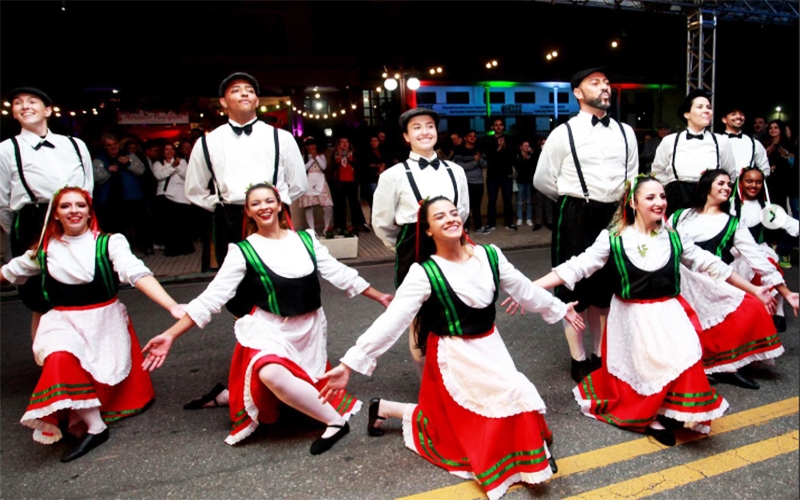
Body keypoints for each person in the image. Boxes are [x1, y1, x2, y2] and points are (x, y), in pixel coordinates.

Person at [319, 196, 584, 500]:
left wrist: (560, 308)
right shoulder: (423, 273)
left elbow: (525, 291)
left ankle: (384, 408)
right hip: (454, 354)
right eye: (440, 216)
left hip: (490, 347)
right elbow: (391, 321)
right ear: (428, 230)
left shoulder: (490, 255)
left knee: (493, 404)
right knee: (509, 397)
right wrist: (351, 363)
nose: (450, 219)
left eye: (454, 213)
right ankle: (531, 457)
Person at [141, 183, 392, 454]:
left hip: (308, 329)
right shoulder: (242, 251)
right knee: (271, 371)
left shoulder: (306, 240)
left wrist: (379, 296)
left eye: (269, 201)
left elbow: (341, 274)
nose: (264, 207)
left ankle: (227, 395)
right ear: (247, 212)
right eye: (256, 203)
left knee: (288, 388)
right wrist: (170, 334)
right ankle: (335, 423)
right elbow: (211, 298)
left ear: (280, 204)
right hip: (268, 327)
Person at [534, 176, 774, 446]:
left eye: (662, 196)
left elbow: (712, 264)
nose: (660, 202)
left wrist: (754, 290)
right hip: (632, 315)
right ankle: (651, 417)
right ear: (633, 203)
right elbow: (576, 267)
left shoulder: (673, 236)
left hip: (669, 312)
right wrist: (530, 289)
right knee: (647, 368)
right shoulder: (613, 238)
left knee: (684, 358)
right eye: (651, 198)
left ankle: (675, 408)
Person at [0, 187, 183, 462]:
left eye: (80, 205)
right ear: (56, 215)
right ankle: (96, 427)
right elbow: (8, 273)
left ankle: (92, 413)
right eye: (65, 206)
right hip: (62, 321)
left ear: (89, 212)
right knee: (60, 356)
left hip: (103, 320)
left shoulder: (110, 243)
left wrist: (171, 305)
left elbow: (136, 273)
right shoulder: (43, 249)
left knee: (95, 368)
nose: (74, 211)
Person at [533, 67, 639, 383]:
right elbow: (542, 180)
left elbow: (632, 177)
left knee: (606, 290)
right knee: (575, 289)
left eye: (607, 81)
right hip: (577, 213)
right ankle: (578, 359)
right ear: (578, 92)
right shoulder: (562, 133)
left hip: (615, 214)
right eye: (595, 82)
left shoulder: (626, 132)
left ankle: (601, 354)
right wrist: (573, 202)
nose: (604, 86)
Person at [670, 170, 798, 389]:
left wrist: (786, 293)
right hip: (678, 279)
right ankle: (694, 367)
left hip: (714, 280)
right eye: (721, 183)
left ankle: (728, 365)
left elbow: (757, 259)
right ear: (706, 186)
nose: (727, 188)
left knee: (750, 308)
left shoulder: (733, 223)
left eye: (729, 185)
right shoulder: (680, 215)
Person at [371, 108, 469, 375]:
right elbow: (381, 223)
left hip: (451, 245)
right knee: (417, 315)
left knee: (454, 308)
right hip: (413, 247)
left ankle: (455, 376)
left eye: (429, 126)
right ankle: (426, 382)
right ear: (406, 136)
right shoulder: (393, 175)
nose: (424, 132)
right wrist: (404, 245)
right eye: (417, 127)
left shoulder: (456, 170)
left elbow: (463, 211)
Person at [184, 72, 307, 267]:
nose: (244, 94)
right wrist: (221, 203)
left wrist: (274, 203)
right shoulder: (207, 142)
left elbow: (299, 183)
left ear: (257, 101)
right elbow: (194, 189)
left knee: (280, 273)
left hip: (273, 215)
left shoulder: (281, 138)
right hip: (230, 218)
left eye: (249, 91)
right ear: (223, 102)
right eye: (236, 90)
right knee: (235, 278)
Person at [0, 87, 93, 338]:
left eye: (32, 101)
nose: (25, 106)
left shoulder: (74, 145)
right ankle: (48, 366)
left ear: (48, 110)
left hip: (75, 219)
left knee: (80, 286)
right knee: (41, 296)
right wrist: (22, 231)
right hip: (34, 220)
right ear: (15, 114)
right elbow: (2, 203)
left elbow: (88, 188)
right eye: (18, 103)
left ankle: (84, 355)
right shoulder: (7, 149)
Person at [732, 166, 799, 332]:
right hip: (735, 252)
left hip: (758, 249)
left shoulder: (766, 208)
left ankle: (779, 312)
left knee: (769, 264)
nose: (753, 185)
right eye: (749, 181)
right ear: (741, 183)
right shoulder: (730, 206)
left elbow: (792, 225)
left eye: (758, 182)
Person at [651, 89, 736, 215]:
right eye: (700, 107)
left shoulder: (721, 141)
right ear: (687, 114)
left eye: (709, 107)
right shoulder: (670, 141)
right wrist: (673, 188)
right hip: (677, 199)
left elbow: (730, 174)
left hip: (710, 199)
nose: (707, 110)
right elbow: (657, 171)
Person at [92, 133, 152, 255]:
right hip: (110, 200)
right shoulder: (99, 160)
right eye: (109, 146)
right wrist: (108, 171)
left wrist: (128, 163)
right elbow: (95, 178)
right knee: (114, 227)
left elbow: (141, 170)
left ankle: (146, 247)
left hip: (132, 197)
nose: (113, 147)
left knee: (140, 223)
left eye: (115, 144)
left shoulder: (129, 156)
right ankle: (117, 251)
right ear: (105, 147)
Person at [153, 142, 195, 256]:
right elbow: (159, 175)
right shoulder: (158, 163)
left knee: (182, 225)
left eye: (172, 149)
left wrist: (177, 166)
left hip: (181, 197)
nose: (169, 152)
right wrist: (172, 167)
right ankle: (172, 250)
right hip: (166, 197)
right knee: (170, 226)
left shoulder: (182, 161)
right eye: (167, 149)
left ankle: (185, 248)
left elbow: (187, 175)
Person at [330, 136, 368, 235]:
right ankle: (340, 226)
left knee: (354, 204)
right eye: (342, 142)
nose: (344, 144)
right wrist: (339, 155)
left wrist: (348, 155)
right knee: (340, 205)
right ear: (338, 144)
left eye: (346, 142)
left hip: (352, 182)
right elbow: (333, 167)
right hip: (339, 183)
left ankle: (357, 225)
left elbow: (358, 165)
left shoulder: (354, 154)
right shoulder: (335, 154)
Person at [720, 105, 770, 178]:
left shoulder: (754, 143)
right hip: (723, 186)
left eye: (741, 114)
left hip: (746, 186)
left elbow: (765, 169)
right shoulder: (717, 141)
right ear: (724, 120)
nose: (738, 117)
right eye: (733, 114)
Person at [484, 119, 517, 231]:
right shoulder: (488, 140)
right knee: (492, 200)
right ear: (493, 127)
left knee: (507, 200)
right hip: (493, 175)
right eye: (496, 125)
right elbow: (488, 157)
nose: (498, 127)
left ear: (503, 127)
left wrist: (505, 147)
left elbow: (512, 156)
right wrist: (498, 148)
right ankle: (491, 223)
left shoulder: (510, 139)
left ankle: (509, 223)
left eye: (500, 125)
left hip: (506, 174)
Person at [298, 137, 334, 236]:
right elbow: (302, 169)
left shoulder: (321, 156)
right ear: (306, 147)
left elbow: (324, 167)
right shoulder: (302, 157)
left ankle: (326, 228)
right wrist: (311, 160)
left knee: (328, 206)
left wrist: (316, 157)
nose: (313, 146)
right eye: (310, 144)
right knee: (309, 207)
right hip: (308, 183)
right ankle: (312, 230)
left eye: (314, 144)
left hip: (321, 182)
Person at [452, 130, 486, 234]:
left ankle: (478, 226)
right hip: (466, 183)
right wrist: (475, 162)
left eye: (474, 136)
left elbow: (484, 165)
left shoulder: (478, 151)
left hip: (479, 182)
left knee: (477, 206)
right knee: (466, 206)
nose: (472, 138)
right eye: (470, 136)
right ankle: (465, 227)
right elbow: (461, 167)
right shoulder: (460, 151)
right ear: (465, 138)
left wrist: (479, 159)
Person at [513, 139, 536, 227]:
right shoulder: (518, 156)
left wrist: (529, 157)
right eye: (525, 146)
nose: (527, 147)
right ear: (521, 147)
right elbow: (518, 167)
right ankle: (520, 218)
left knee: (529, 201)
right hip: (520, 181)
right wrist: (523, 158)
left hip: (529, 181)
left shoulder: (531, 156)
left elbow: (532, 166)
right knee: (519, 201)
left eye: (528, 145)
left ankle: (529, 218)